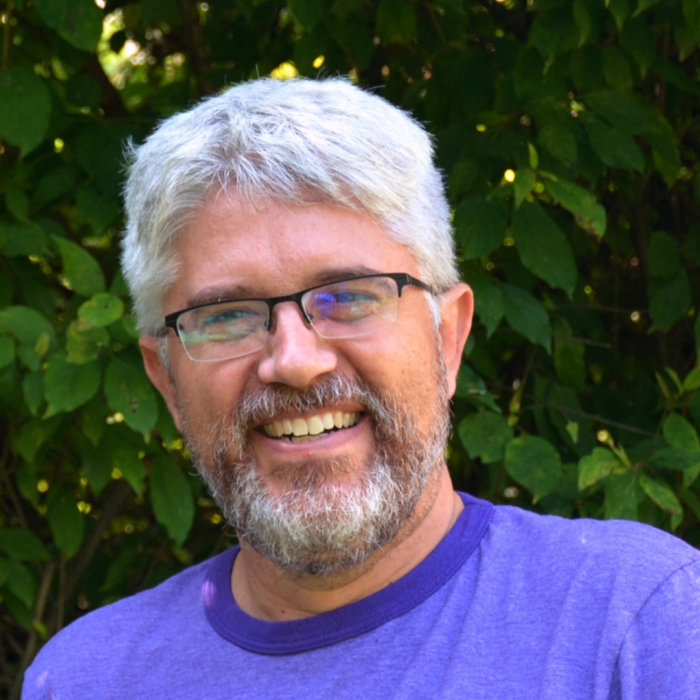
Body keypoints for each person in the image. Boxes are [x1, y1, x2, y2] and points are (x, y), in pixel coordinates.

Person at [23, 78, 700, 699]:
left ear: (448, 337)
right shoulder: (85, 679)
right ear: (165, 379)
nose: (294, 361)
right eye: (227, 316)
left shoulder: (638, 627)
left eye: (348, 296)